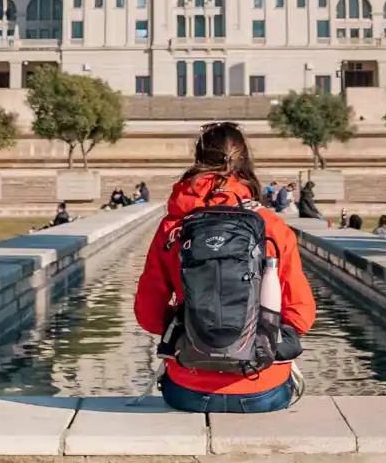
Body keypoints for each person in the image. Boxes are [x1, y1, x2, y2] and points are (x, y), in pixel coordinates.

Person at [134, 120, 316, 413]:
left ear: (199, 159)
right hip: (263, 389)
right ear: (244, 161)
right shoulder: (272, 226)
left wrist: (189, 327)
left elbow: (148, 315)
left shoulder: (173, 227)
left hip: (187, 387)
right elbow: (301, 316)